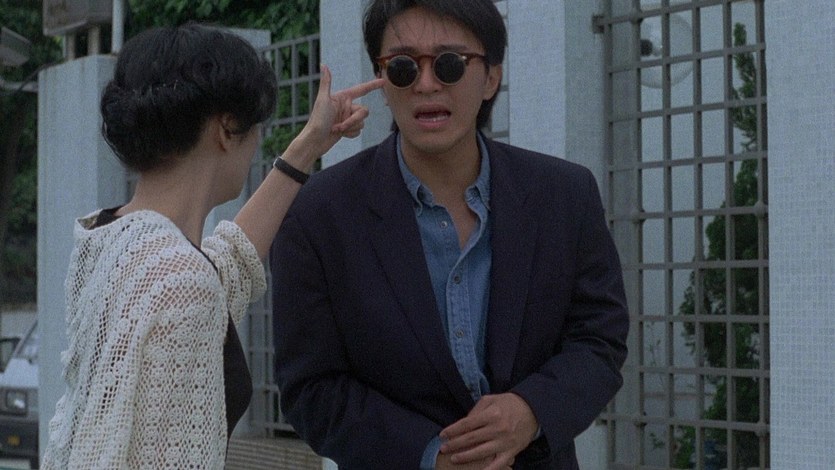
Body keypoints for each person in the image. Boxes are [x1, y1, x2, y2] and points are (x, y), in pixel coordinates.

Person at [270, 0, 630, 469]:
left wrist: (531, 411)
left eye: (449, 63)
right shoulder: (319, 214)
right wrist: (432, 456)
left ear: (492, 77)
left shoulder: (564, 195)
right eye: (403, 66)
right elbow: (311, 390)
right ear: (382, 81)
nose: (426, 84)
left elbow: (600, 338)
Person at [40, 23, 382, 469]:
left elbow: (227, 266)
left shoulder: (109, 241)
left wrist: (307, 147)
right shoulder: (181, 280)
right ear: (226, 127)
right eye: (255, 127)